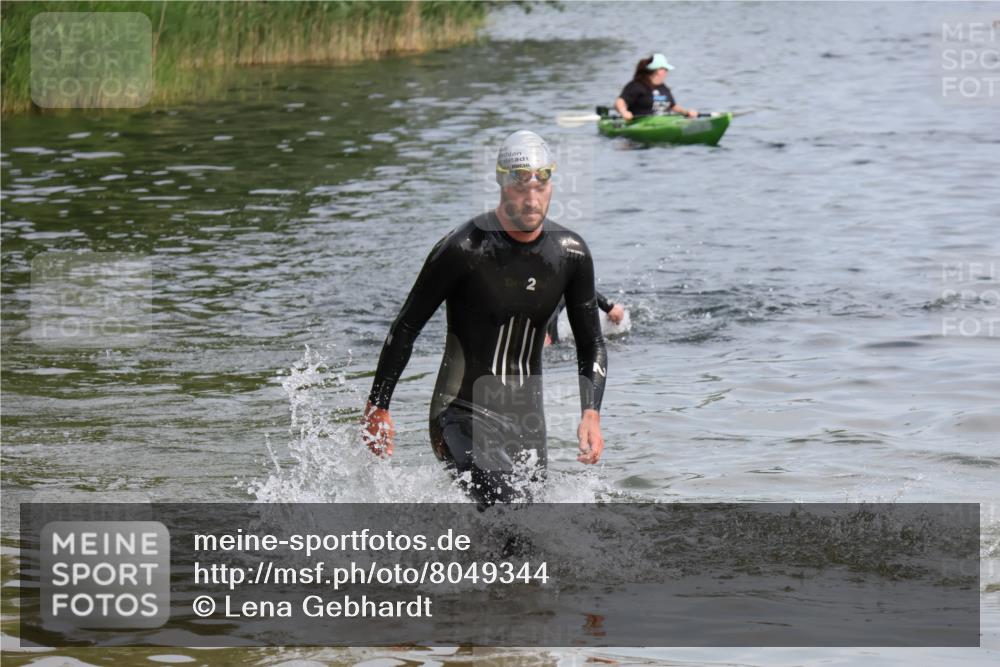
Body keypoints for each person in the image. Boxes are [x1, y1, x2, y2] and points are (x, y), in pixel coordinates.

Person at [362, 130, 608, 506]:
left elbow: (591, 342)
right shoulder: (463, 249)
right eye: (519, 188)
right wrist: (378, 406)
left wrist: (591, 412)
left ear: (551, 185)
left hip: (527, 424)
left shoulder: (570, 254)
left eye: (539, 187)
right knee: (507, 505)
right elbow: (407, 326)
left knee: (524, 534)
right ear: (500, 184)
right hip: (460, 413)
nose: (531, 200)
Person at [614, 53, 698, 120]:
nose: (667, 72)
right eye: (665, 69)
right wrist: (624, 112)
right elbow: (620, 101)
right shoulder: (637, 85)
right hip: (642, 123)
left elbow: (673, 106)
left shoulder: (663, 88)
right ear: (658, 70)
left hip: (664, 121)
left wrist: (687, 112)